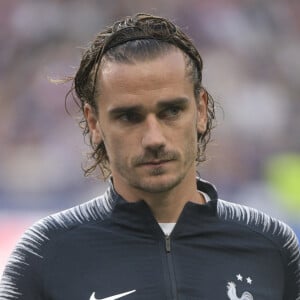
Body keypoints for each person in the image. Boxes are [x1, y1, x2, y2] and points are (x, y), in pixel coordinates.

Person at [0, 13, 299, 300]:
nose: (154, 138)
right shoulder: (44, 254)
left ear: (202, 110)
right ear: (94, 123)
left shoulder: (271, 246)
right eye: (129, 116)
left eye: (171, 111)